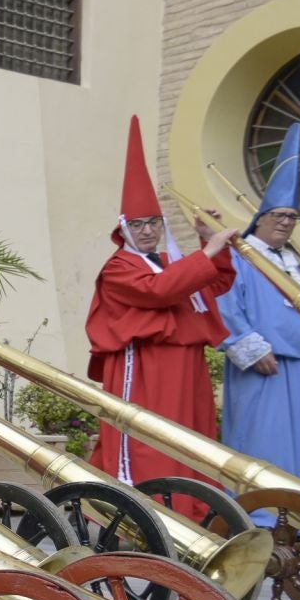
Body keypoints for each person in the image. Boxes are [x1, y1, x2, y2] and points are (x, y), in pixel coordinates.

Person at [86, 116, 234, 507]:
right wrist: (207, 252)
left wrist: (207, 244)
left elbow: (215, 286)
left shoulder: (171, 260)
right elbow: (160, 292)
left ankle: (196, 508)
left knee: (192, 434)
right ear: (124, 228)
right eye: (138, 224)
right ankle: (149, 512)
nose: (147, 230)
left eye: (153, 222)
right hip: (148, 367)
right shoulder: (119, 266)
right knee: (151, 440)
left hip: (187, 365)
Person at [218, 121, 300, 508]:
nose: (286, 222)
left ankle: (299, 513)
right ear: (263, 216)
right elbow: (225, 305)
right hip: (265, 365)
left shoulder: (296, 261)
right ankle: (262, 514)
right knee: (262, 441)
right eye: (280, 215)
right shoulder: (241, 256)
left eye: (292, 217)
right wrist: (250, 348)